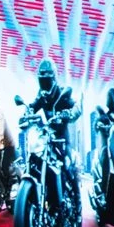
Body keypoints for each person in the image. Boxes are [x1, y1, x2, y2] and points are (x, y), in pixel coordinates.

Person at [27, 59, 81, 192]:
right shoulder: (41, 95)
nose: (45, 85)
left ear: (53, 78)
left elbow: (76, 107)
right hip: (47, 137)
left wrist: (69, 113)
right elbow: (33, 106)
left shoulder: (62, 93)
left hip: (61, 138)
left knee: (67, 164)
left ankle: (77, 197)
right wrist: (27, 112)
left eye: (47, 81)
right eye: (42, 81)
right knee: (35, 160)